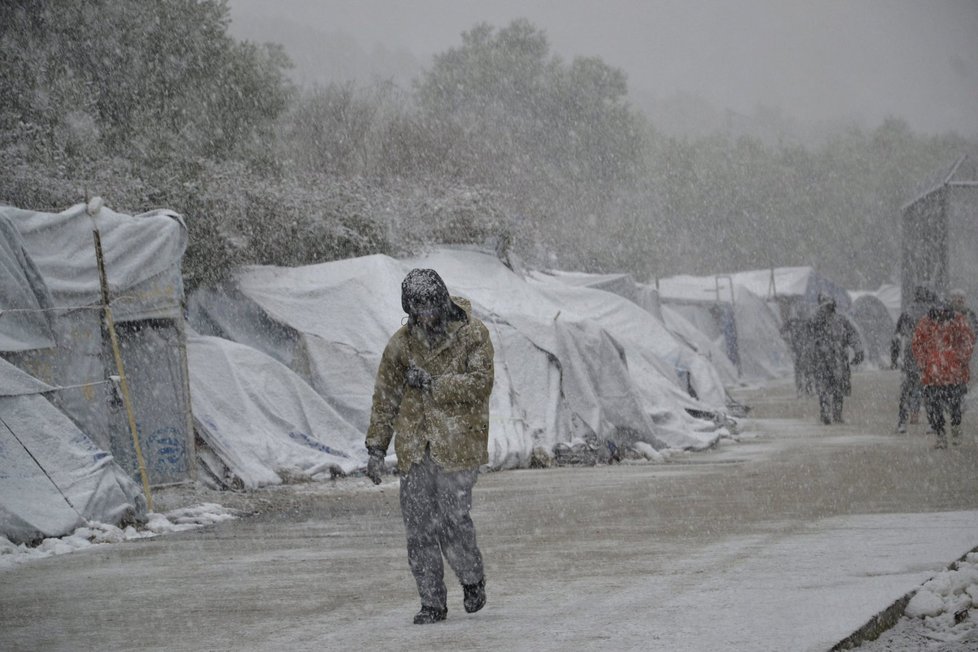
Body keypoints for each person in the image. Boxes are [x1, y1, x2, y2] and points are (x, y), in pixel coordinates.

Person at [364, 268, 494, 625]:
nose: (424, 315)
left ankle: (471, 578)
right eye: (415, 308)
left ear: (441, 300)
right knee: (419, 528)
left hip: (458, 444)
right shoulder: (401, 344)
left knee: (453, 520)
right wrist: (376, 447)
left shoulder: (472, 334)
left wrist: (435, 383)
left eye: (429, 305)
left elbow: (480, 383)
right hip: (415, 448)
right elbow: (385, 398)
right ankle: (432, 602)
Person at [912, 301, 976, 448]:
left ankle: (952, 430)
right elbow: (917, 343)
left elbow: (967, 340)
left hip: (950, 374)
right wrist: (925, 361)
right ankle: (943, 434)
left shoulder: (956, 321)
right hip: (937, 375)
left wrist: (959, 357)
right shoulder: (928, 322)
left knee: (953, 406)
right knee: (935, 408)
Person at [809, 294, 864, 425]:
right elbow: (810, 340)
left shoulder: (841, 320)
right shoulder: (817, 320)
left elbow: (852, 335)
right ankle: (828, 413)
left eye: (829, 304)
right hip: (826, 359)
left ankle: (833, 414)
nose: (827, 307)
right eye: (825, 304)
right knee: (827, 388)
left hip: (837, 359)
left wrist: (858, 350)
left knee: (835, 388)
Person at [890, 286, 937, 433]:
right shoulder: (933, 312)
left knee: (907, 388)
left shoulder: (907, 312)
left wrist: (894, 358)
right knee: (929, 389)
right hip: (928, 353)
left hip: (910, 352)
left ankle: (902, 422)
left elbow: (896, 338)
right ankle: (932, 422)